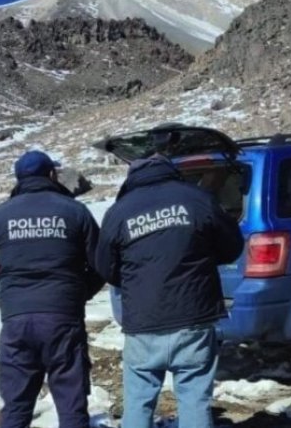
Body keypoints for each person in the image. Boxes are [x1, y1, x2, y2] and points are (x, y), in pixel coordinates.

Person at [96, 154, 244, 428]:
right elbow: (232, 245)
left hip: (143, 320)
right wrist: (203, 257)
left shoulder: (119, 211)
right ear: (170, 171)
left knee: (138, 399)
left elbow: (105, 267)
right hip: (193, 316)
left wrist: (135, 280)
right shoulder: (197, 199)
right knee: (193, 398)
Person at [0, 150, 104, 428]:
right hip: (63, 315)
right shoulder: (74, 210)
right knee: (71, 402)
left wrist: (1, 271)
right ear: (52, 175)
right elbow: (102, 262)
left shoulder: (1, 214)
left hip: (17, 318)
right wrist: (80, 291)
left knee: (17, 403)